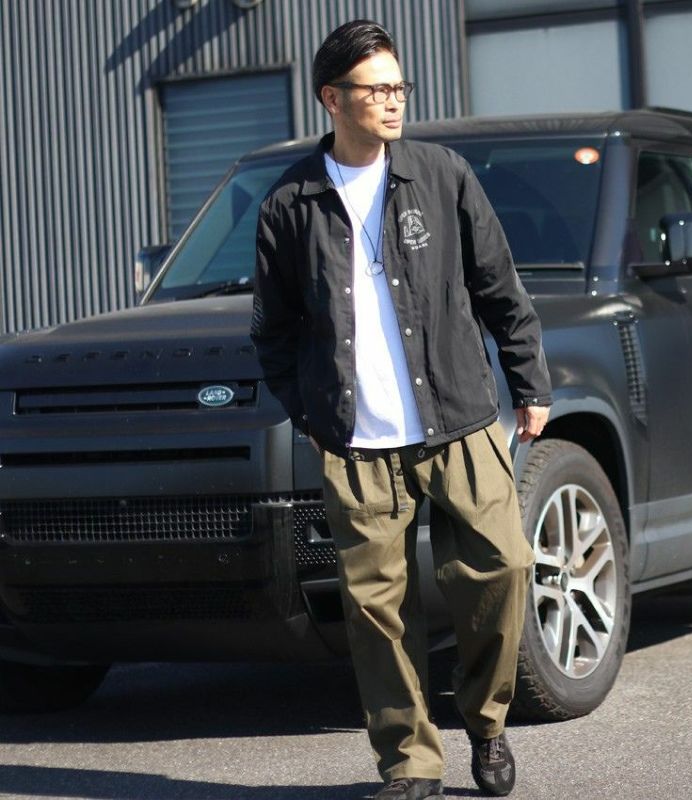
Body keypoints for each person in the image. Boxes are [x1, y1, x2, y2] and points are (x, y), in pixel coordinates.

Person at [251, 19, 551, 800]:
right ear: (332, 99)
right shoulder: (290, 202)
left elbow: (499, 287)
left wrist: (530, 384)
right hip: (356, 442)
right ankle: (410, 762)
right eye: (376, 88)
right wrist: (313, 414)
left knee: (503, 566)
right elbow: (273, 331)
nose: (392, 100)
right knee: (376, 612)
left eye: (398, 86)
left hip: (459, 420)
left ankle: (486, 720)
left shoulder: (442, 175)